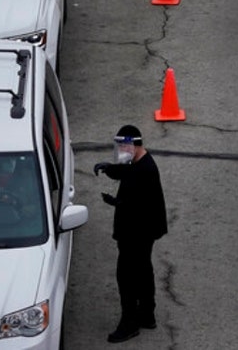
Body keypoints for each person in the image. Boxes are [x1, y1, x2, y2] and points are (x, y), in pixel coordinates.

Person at [93, 125, 168, 343]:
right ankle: (147, 314)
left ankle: (129, 323)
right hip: (144, 231)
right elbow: (126, 170)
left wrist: (115, 202)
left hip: (136, 233)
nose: (120, 152)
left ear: (134, 146)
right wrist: (109, 169)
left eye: (123, 147)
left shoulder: (145, 170)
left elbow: (136, 205)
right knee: (144, 271)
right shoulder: (140, 162)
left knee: (127, 278)